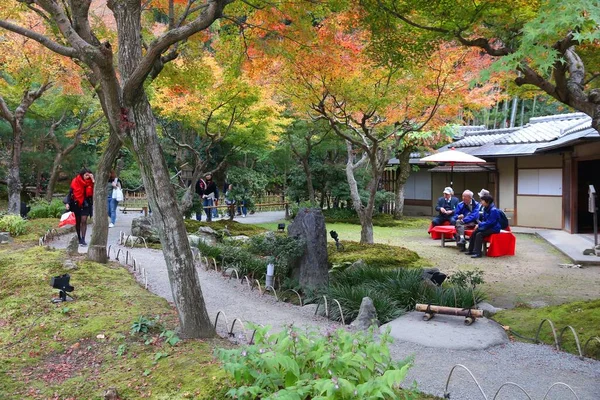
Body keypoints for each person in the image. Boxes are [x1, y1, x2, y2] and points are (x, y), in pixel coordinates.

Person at [67, 167, 95, 246]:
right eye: (86, 175)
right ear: (82, 175)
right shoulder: (75, 181)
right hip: (77, 203)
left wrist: (93, 180)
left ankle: (83, 238)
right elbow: (70, 192)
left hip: (86, 203)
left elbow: (95, 191)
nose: (87, 177)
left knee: (84, 220)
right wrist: (67, 202)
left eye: (89, 175)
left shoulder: (91, 182)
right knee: (78, 221)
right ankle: (79, 237)